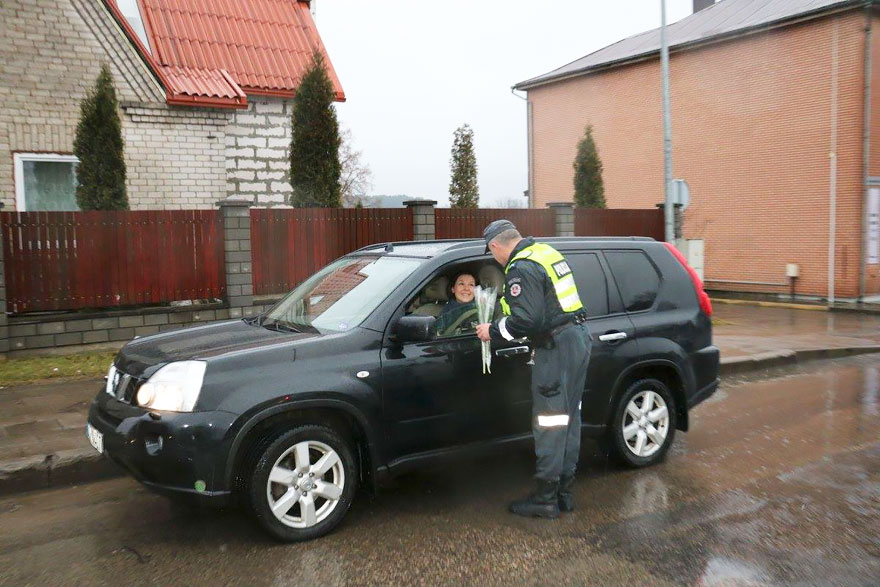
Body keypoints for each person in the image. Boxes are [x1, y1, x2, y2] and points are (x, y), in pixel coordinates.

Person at [475, 220, 591, 519]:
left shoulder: (520, 267)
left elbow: (527, 321)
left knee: (551, 422)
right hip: (576, 341)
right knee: (569, 418)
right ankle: (564, 494)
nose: (494, 260)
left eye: (492, 254)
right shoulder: (545, 253)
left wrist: (493, 329)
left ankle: (545, 499)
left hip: (556, 348)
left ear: (495, 246)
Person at [433, 272, 478, 336]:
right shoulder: (445, 314)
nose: (466, 288)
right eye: (461, 284)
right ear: (453, 289)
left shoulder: (484, 310)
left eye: (471, 284)